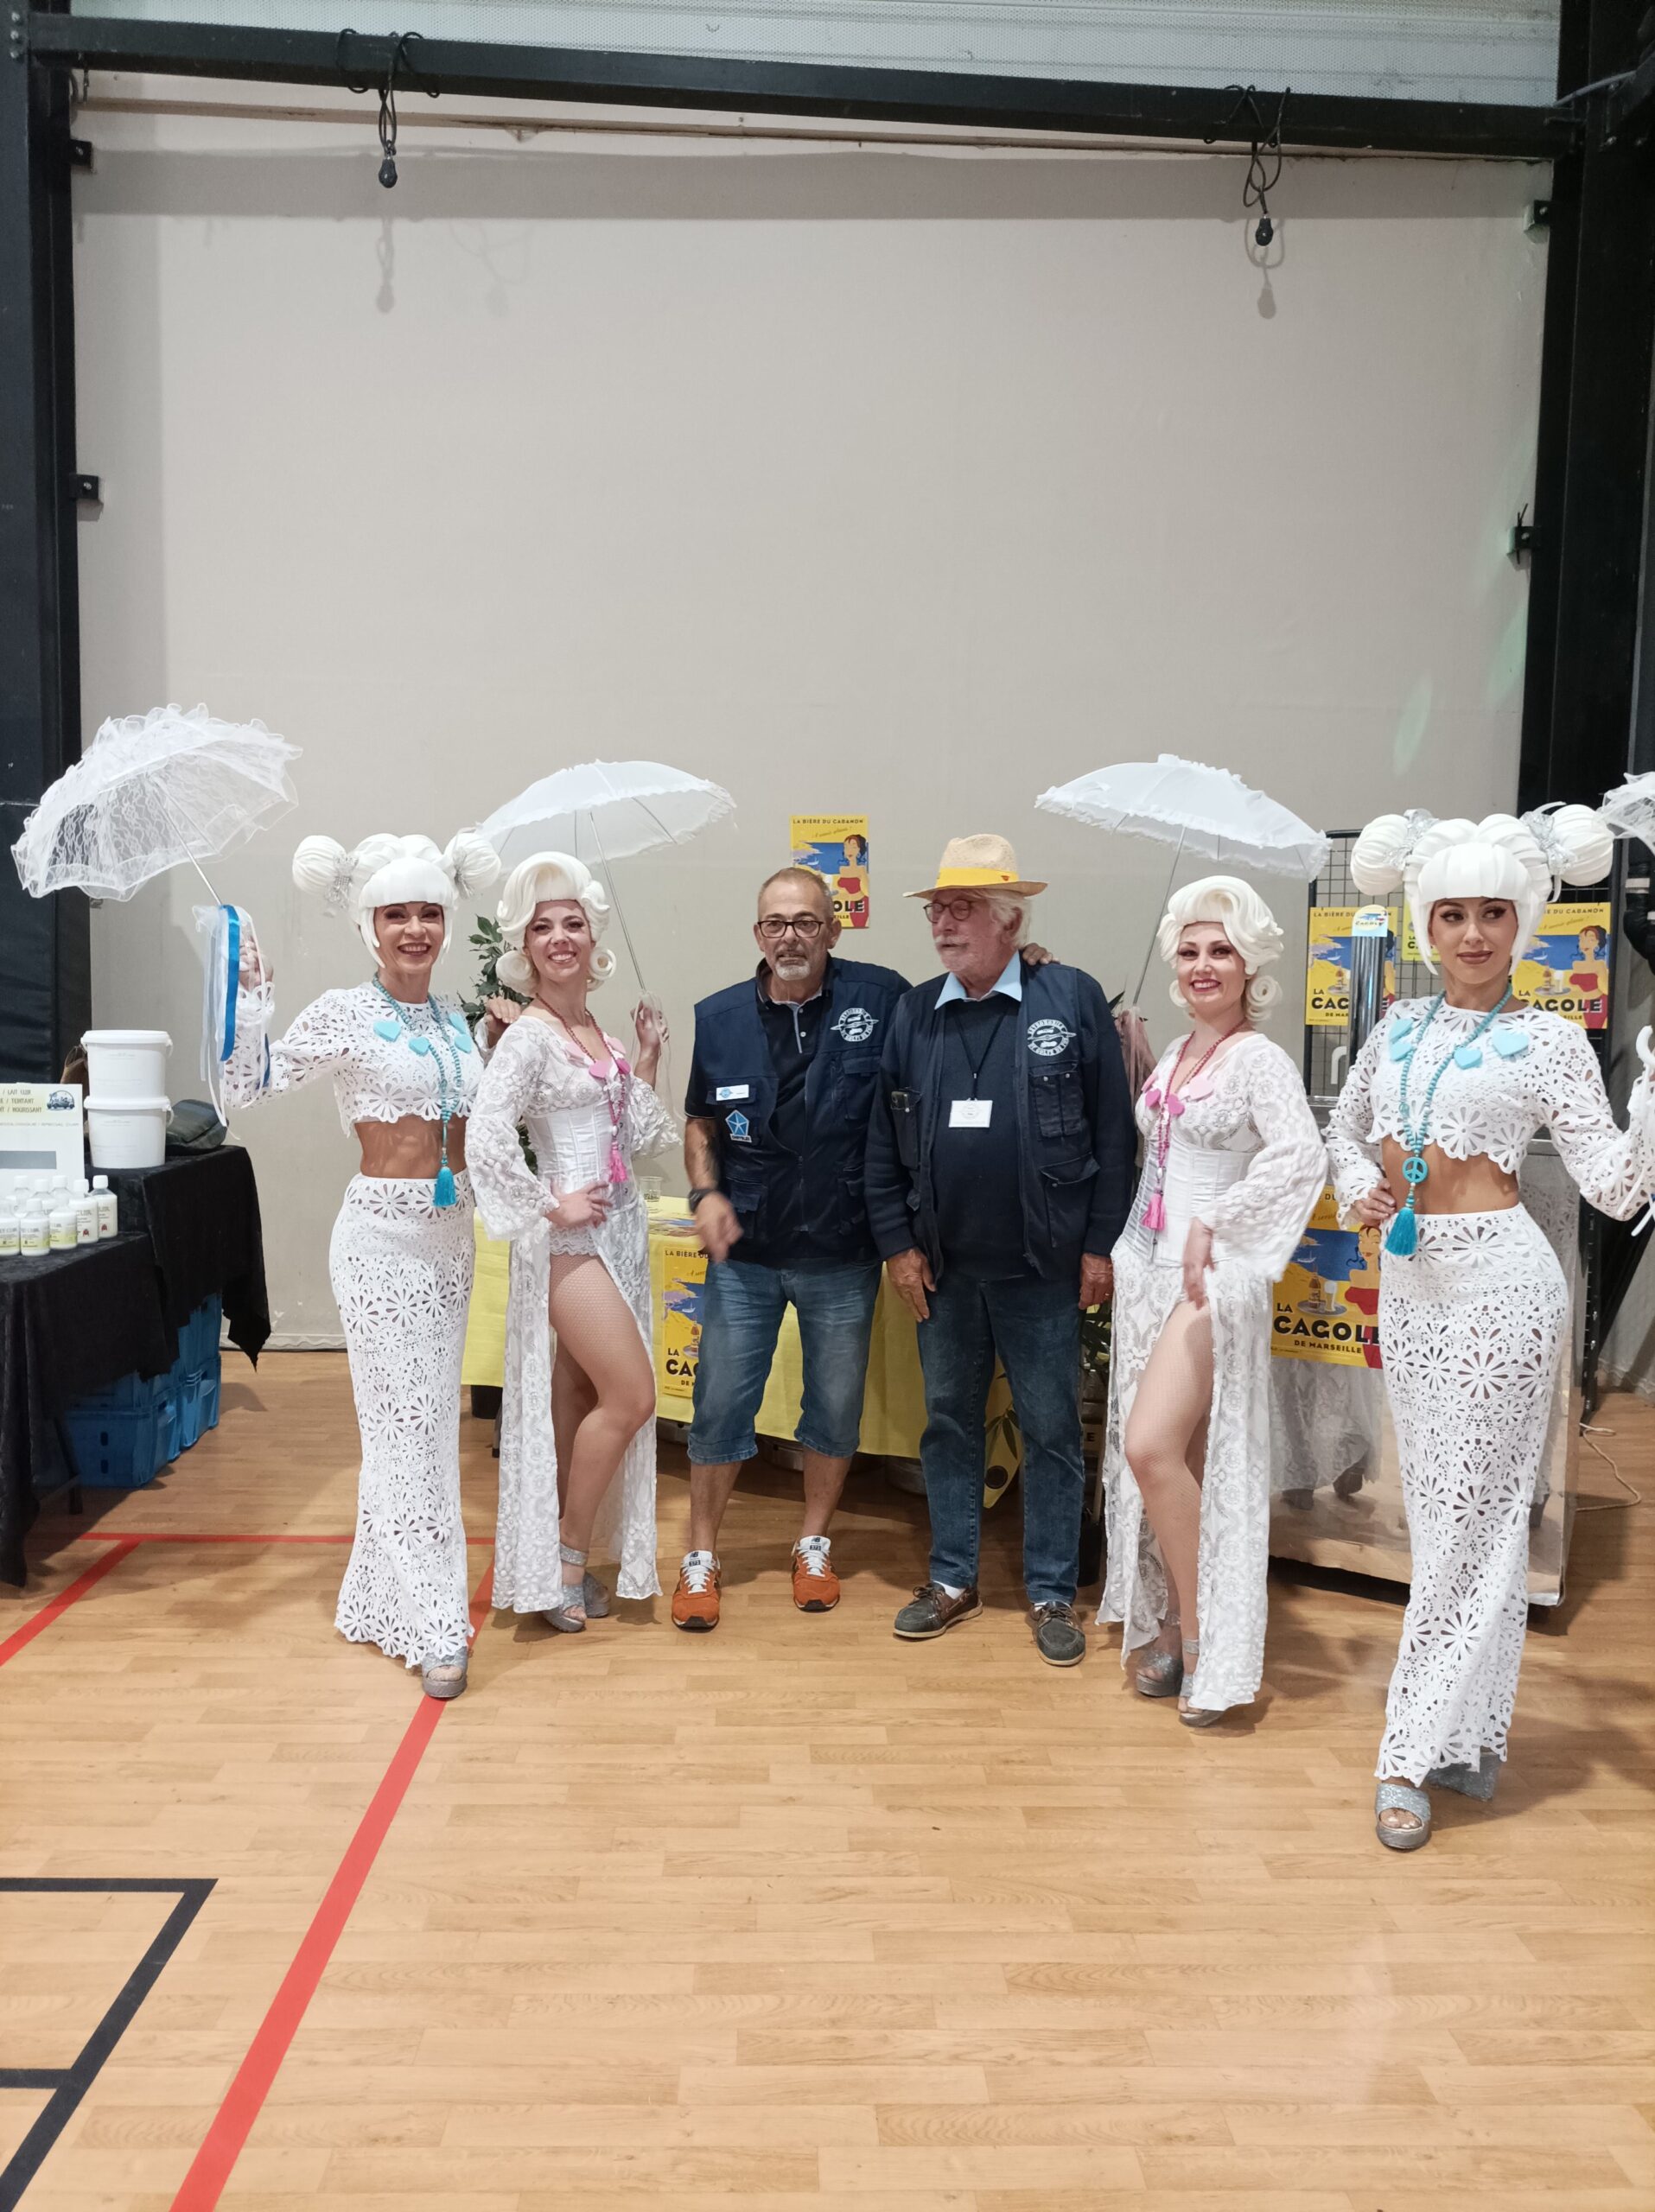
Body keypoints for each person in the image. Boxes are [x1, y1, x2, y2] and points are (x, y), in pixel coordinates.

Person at [1329, 804, 1653, 1850]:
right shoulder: (1396, 1026)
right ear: (1426, 924)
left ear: (1522, 923)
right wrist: (1358, 1187)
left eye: (1492, 914)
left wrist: (1653, 1095)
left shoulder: (1550, 1039)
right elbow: (1346, 1132)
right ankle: (1469, 1733)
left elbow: (1614, 1187)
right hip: (1411, 1288)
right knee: (1450, 1517)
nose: (1473, 933)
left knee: (1472, 1515)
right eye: (1453, 914)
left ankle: (1405, 1752)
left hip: (1503, 1291)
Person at [224, 828, 501, 1700]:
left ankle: (377, 1595)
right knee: (407, 1430)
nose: (415, 929)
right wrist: (251, 1005)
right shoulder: (346, 1011)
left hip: (449, 1239)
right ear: (368, 927)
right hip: (379, 1242)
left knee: (417, 1429)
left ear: (446, 922)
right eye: (396, 915)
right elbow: (245, 1087)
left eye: (428, 913)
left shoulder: (455, 1018)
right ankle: (436, 1622)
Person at [865, 833, 1134, 1666]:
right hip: (942, 1270)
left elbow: (1114, 1132)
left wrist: (1099, 1246)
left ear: (1010, 921)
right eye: (937, 910)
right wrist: (897, 1246)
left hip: (1042, 1268)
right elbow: (880, 1140)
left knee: (1051, 1430)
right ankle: (952, 1579)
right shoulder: (914, 1011)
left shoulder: (1068, 996)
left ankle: (1052, 1591)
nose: (943, 924)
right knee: (948, 1425)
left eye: (963, 908)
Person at [1097, 877, 1325, 1725]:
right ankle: (1175, 1625)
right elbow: (1159, 1164)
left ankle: (1204, 1640)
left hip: (1211, 1280)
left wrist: (1216, 1222)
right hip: (1153, 1274)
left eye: (1220, 950)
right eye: (1190, 950)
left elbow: (1300, 1156)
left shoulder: (1258, 1059)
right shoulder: (1179, 1054)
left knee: (1148, 1447)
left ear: (1249, 964)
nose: (1202, 964)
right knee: (1177, 1466)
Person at [673, 867, 909, 1628]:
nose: (790, 937)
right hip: (746, 1253)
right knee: (718, 1405)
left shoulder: (883, 997)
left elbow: (961, 1012)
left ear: (832, 929)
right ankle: (701, 1555)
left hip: (842, 1248)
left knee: (834, 1408)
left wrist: (1029, 965)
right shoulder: (718, 1018)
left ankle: (813, 1544)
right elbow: (701, 1120)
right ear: (757, 934)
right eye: (775, 923)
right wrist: (705, 1194)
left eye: (806, 922)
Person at [468, 854, 676, 1631]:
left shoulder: (596, 1033)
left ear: (593, 940)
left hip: (619, 1232)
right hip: (570, 1244)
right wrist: (546, 1204)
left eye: (573, 924)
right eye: (543, 928)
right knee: (632, 1397)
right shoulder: (528, 1037)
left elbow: (636, 1136)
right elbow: (485, 1136)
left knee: (582, 1396)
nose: (560, 937)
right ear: (525, 947)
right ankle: (563, 1558)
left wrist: (645, 1057)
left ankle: (555, 1556)